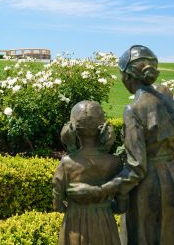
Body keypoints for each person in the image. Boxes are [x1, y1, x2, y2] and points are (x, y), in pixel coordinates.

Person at [67, 45, 174, 245]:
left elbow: (136, 167)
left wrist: (101, 190)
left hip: (147, 187)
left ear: (129, 76)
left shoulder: (133, 109)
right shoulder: (171, 103)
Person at [53, 100, 124, 245]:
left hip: (74, 221)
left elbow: (57, 202)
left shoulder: (67, 163)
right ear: (103, 128)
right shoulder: (115, 163)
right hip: (104, 222)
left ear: (72, 129)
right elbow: (122, 205)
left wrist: (69, 207)